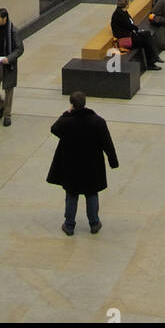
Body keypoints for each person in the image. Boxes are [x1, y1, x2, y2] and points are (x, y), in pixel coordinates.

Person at [47, 91, 119, 235]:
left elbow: (54, 129)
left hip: (71, 166)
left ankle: (69, 225)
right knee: (91, 193)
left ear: (72, 105)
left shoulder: (67, 122)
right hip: (92, 166)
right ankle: (94, 223)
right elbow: (107, 143)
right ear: (85, 103)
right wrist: (113, 161)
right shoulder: (98, 121)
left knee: (71, 194)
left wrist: (66, 114)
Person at [110, 0, 163, 70]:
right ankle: (151, 63)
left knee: (147, 34)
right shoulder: (119, 15)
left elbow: (130, 25)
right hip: (125, 38)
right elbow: (128, 26)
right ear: (127, 4)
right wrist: (136, 29)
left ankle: (155, 57)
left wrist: (136, 30)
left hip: (131, 34)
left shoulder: (123, 11)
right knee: (145, 42)